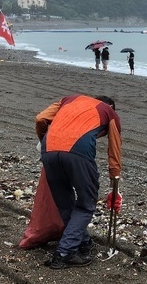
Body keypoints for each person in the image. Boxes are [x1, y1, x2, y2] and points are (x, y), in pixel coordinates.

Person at [35, 95, 121, 269]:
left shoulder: (69, 100)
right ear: (110, 105)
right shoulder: (109, 112)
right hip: (78, 152)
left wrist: (44, 141)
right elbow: (115, 147)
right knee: (86, 203)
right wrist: (115, 177)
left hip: (49, 149)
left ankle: (82, 242)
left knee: (64, 202)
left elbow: (40, 118)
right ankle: (65, 253)